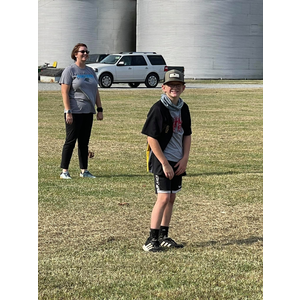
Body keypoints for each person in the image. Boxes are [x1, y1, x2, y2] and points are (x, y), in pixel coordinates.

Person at [141, 69, 192, 252]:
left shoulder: (183, 108)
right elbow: (151, 138)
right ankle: (151, 239)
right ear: (163, 88)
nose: (174, 89)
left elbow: (187, 134)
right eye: (170, 85)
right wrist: (164, 163)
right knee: (162, 198)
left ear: (183, 88)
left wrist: (185, 158)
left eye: (178, 86)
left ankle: (164, 236)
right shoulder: (158, 108)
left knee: (171, 197)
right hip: (162, 159)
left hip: (178, 159)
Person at [59, 43, 104, 179]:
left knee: (84, 142)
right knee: (70, 141)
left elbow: (95, 91)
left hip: (88, 111)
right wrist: (68, 111)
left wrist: (99, 109)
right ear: (75, 54)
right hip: (74, 112)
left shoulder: (90, 71)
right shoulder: (70, 70)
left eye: (86, 51)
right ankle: (64, 171)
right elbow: (64, 93)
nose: (85, 54)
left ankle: (84, 171)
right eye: (82, 51)